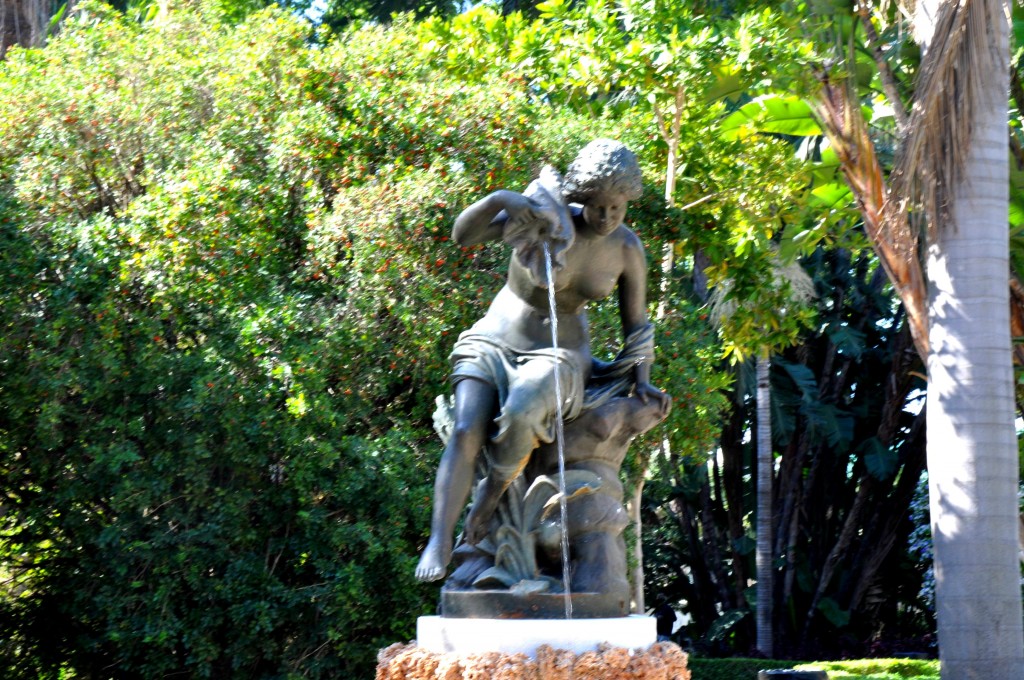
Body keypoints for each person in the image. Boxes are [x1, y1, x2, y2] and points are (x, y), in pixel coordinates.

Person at [415, 139, 670, 583]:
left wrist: (642, 378)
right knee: (465, 427)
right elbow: (462, 236)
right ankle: (439, 539)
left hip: (563, 353)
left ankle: (490, 497)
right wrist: (499, 200)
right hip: (495, 338)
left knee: (524, 409)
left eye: (616, 207)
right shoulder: (543, 219)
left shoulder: (627, 250)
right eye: (596, 207)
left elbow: (637, 323)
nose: (607, 217)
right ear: (579, 198)